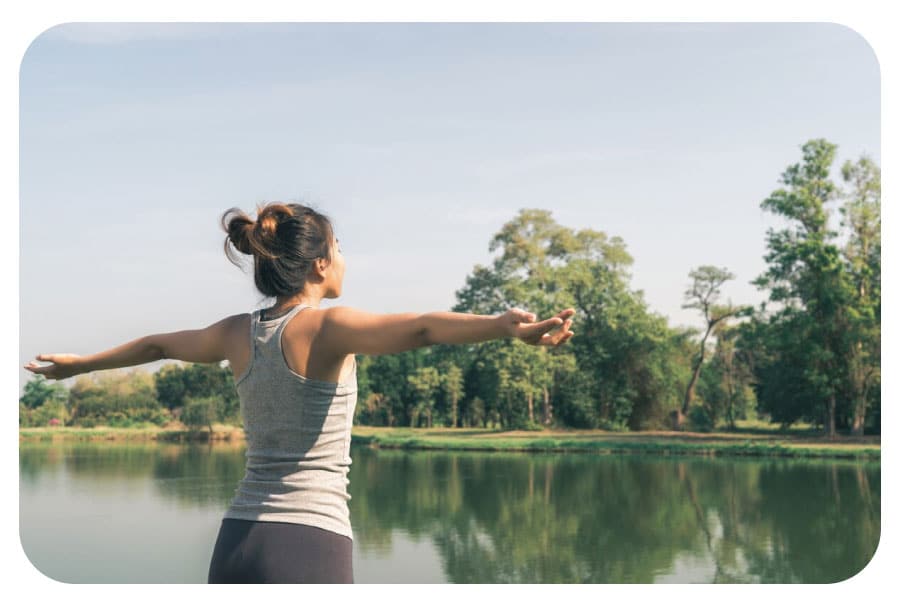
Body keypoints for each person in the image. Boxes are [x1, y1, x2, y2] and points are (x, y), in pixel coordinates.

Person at [23, 201, 576, 583]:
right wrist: (501, 325)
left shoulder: (237, 331)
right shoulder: (326, 326)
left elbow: (155, 346)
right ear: (317, 264)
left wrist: (78, 367)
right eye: (339, 247)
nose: (343, 257)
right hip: (308, 544)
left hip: (235, 541)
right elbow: (423, 328)